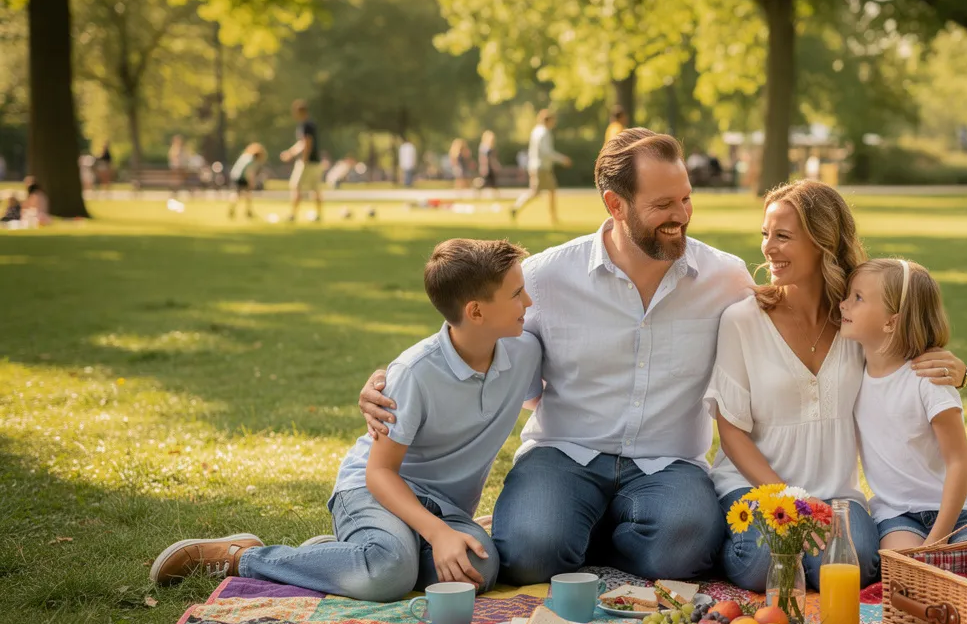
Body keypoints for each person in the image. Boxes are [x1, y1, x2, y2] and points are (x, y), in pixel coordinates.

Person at [363, 129, 753, 585]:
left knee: (682, 553)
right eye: (663, 204)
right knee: (530, 556)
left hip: (668, 462)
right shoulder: (547, 277)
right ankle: (570, 533)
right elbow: (475, 337)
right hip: (565, 453)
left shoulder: (726, 277)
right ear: (615, 204)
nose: (681, 216)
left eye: (685, 199)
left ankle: (584, 536)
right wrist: (391, 378)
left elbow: (776, 336)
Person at [150, 239, 542, 599]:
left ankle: (343, 559)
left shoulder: (524, 353)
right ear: (476, 311)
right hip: (375, 490)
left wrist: (442, 529)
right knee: (390, 573)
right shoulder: (414, 373)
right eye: (516, 293)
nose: (527, 301)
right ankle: (242, 558)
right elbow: (380, 473)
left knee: (477, 569)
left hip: (444, 506)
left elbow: (538, 399)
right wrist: (438, 533)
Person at [710, 182, 967, 591]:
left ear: (822, 243)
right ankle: (720, 540)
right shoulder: (742, 321)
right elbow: (731, 431)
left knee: (860, 563)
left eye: (783, 237)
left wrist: (958, 371)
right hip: (759, 487)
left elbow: (906, 346)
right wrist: (790, 501)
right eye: (765, 234)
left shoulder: (855, 321)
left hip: (837, 495)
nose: (767, 248)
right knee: (765, 562)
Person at [838, 258, 967, 551]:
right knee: (903, 569)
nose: (843, 304)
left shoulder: (928, 378)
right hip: (899, 515)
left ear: (892, 321)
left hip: (965, 512)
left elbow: (958, 462)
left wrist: (939, 538)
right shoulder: (851, 369)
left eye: (857, 297)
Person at [511, 109, 571, 225]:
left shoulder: (536, 131)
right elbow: (547, 152)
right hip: (541, 167)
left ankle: (552, 216)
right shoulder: (544, 132)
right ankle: (552, 217)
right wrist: (562, 159)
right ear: (548, 120)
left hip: (535, 166)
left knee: (546, 191)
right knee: (539, 192)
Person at [279, 100, 323, 222]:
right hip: (316, 161)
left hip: (307, 162)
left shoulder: (305, 125)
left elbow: (306, 143)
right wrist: (290, 152)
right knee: (315, 188)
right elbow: (302, 143)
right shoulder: (310, 124)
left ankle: (292, 215)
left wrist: (303, 159)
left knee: (295, 186)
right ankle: (319, 215)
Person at [227, 143, 267, 219]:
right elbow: (250, 173)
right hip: (243, 178)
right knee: (246, 194)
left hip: (235, 176)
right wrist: (252, 183)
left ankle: (246, 211)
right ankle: (248, 211)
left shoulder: (245, 156)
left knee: (238, 194)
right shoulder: (252, 160)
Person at [477, 130, 501, 199]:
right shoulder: (484, 147)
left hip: (491, 168)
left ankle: (496, 197)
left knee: (493, 183)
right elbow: (484, 159)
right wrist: (484, 167)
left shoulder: (490, 147)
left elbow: (493, 158)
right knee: (484, 182)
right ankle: (477, 188)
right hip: (487, 168)